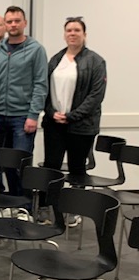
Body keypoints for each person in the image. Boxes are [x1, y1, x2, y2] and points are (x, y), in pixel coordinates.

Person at [42, 17, 106, 226]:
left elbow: (96, 96)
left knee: (77, 169)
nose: (72, 33)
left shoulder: (96, 61)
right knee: (51, 167)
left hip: (81, 127)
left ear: (84, 34)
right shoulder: (56, 60)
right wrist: (51, 112)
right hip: (54, 124)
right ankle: (50, 208)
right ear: (64, 34)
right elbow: (44, 90)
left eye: (77, 30)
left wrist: (71, 116)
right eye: (69, 30)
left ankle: (75, 210)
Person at [0, 6, 48, 197]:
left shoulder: (36, 50)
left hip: (22, 117)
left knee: (21, 164)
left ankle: (25, 204)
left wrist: (33, 115)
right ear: (5, 24)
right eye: (9, 21)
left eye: (17, 21)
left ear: (25, 23)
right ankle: (13, 202)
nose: (13, 24)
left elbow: (41, 84)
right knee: (5, 163)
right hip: (0, 116)